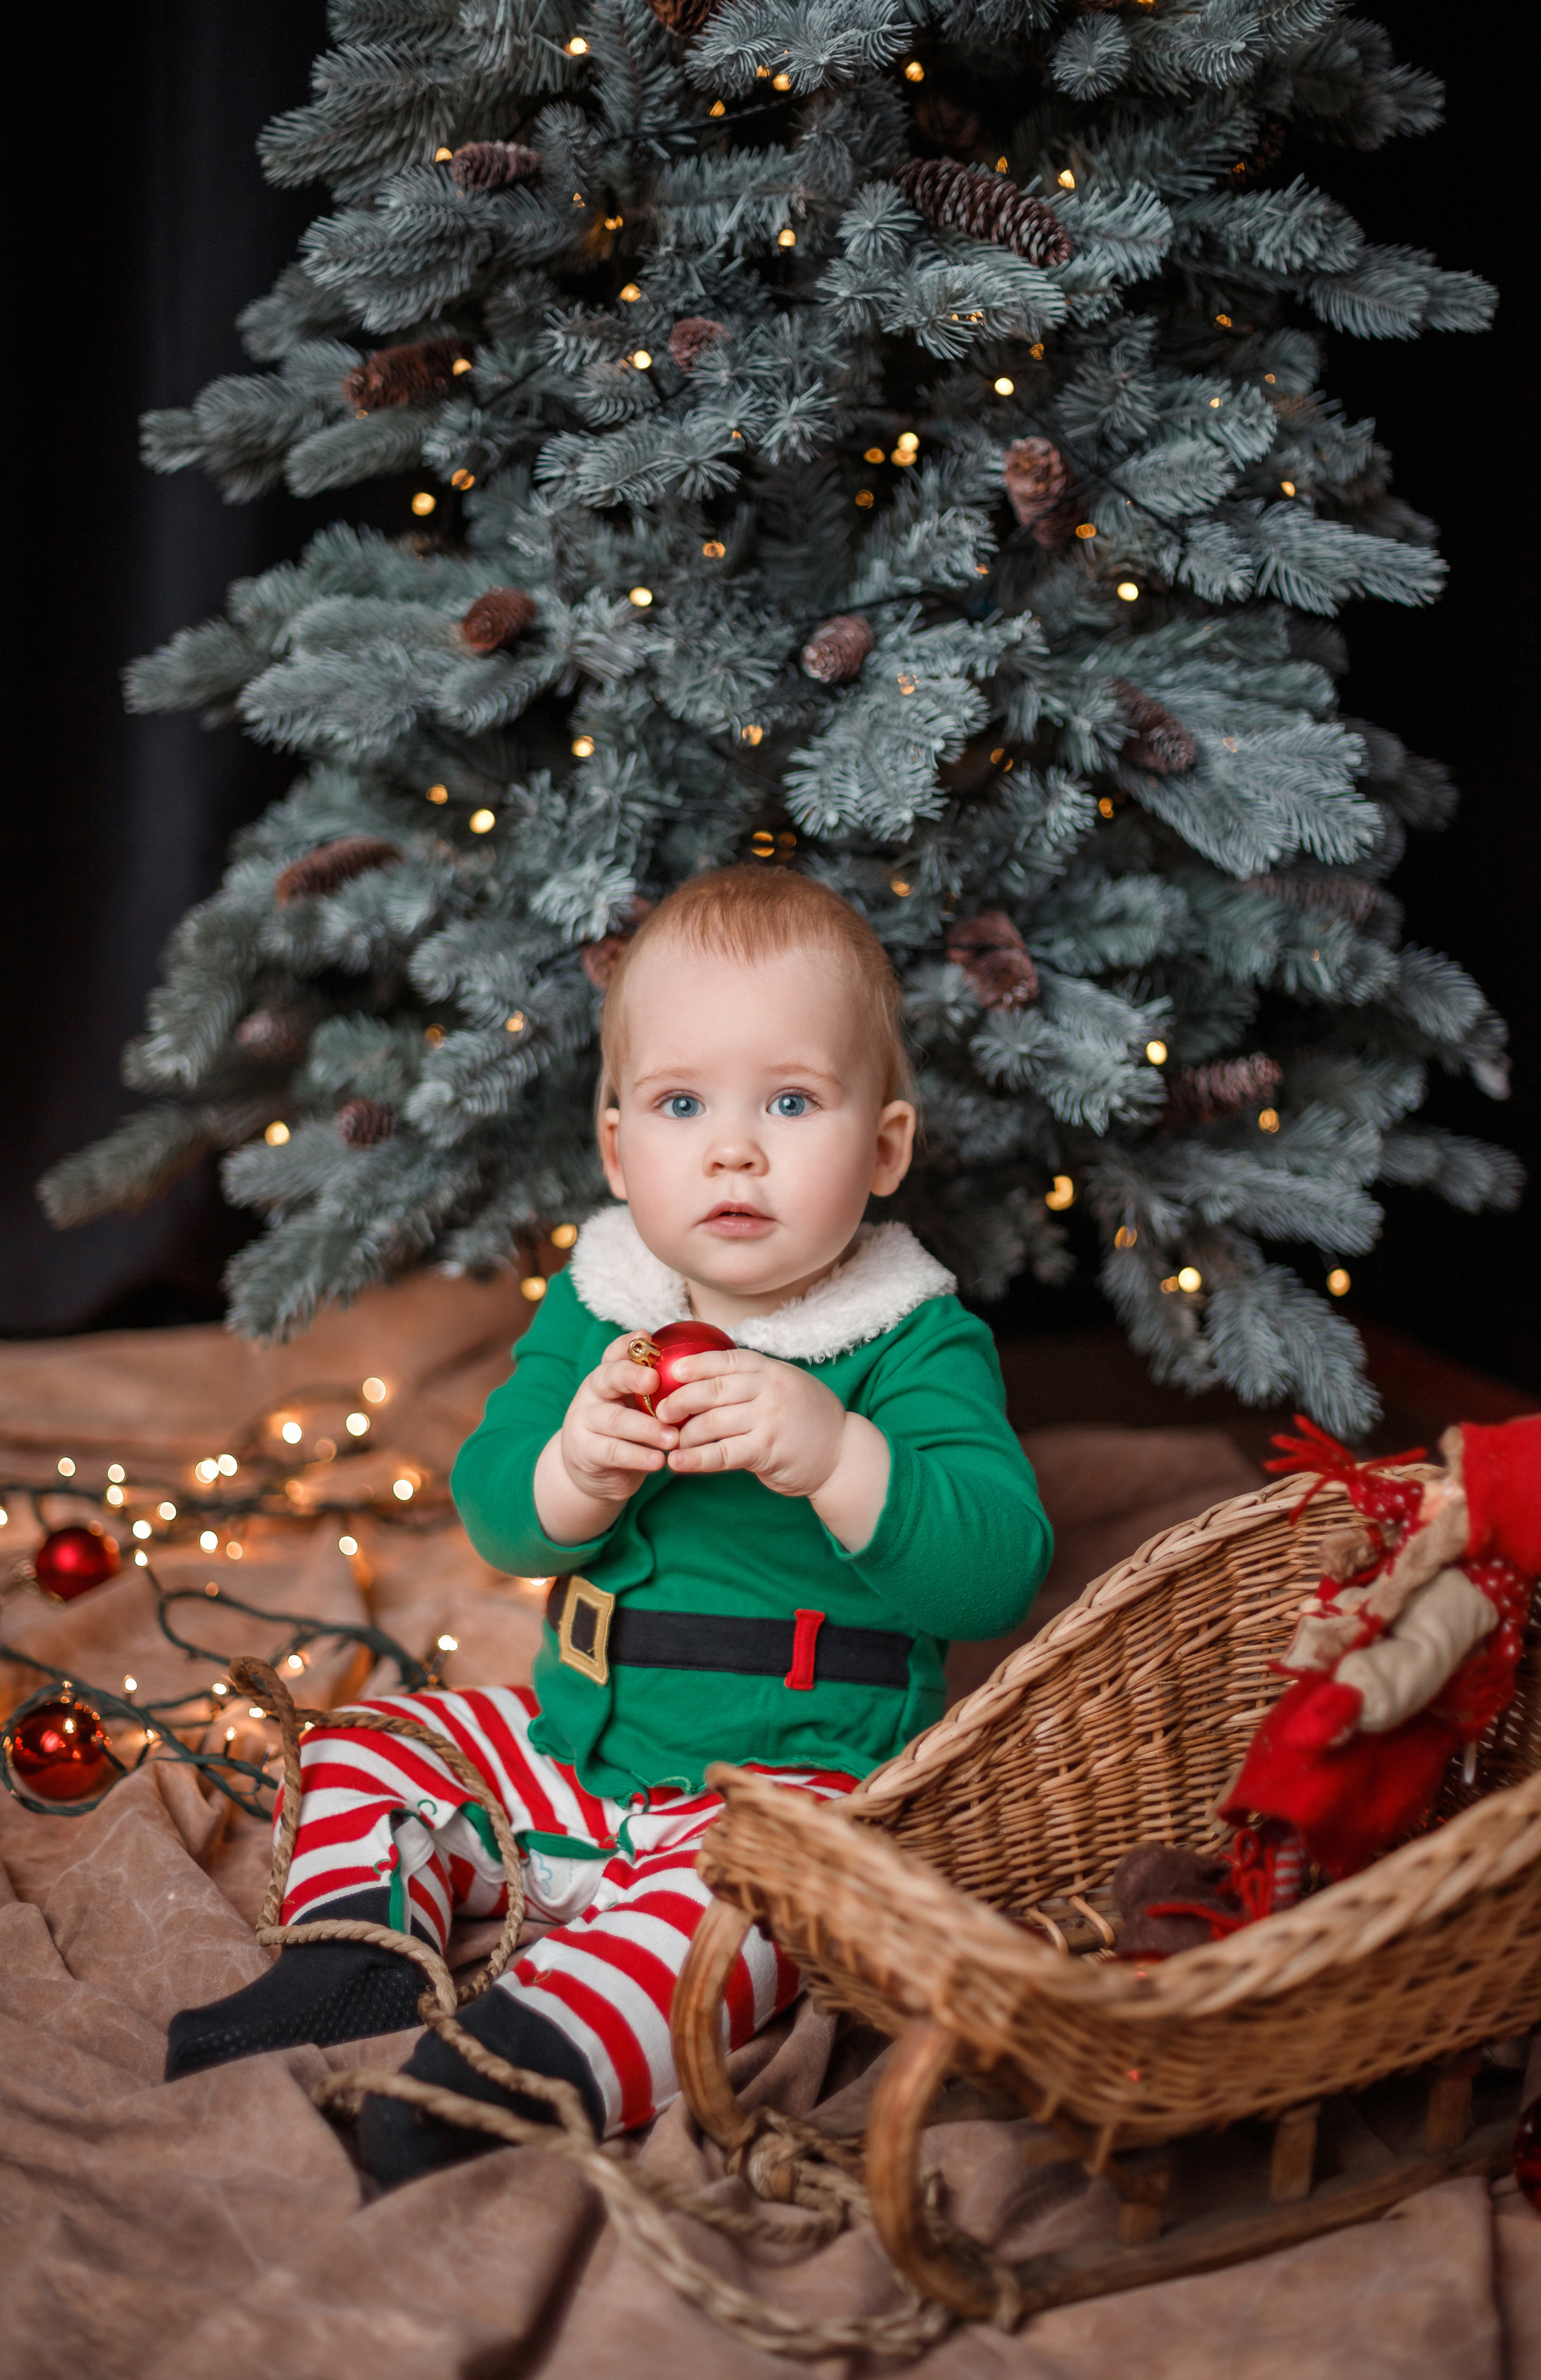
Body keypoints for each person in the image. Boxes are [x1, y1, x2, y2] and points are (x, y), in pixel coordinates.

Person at [166, 866, 1053, 2181]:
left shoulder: (905, 1340)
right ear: (617, 1146)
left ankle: (513, 2065)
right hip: (575, 1750)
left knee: (746, 1914)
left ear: (882, 1148)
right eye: (681, 1103)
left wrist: (833, 1453)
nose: (731, 1149)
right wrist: (576, 1467)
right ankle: (349, 1954)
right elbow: (498, 1518)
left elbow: (994, 1576)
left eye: (791, 1102)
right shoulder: (603, 1308)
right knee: (377, 1738)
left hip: (786, 1789)